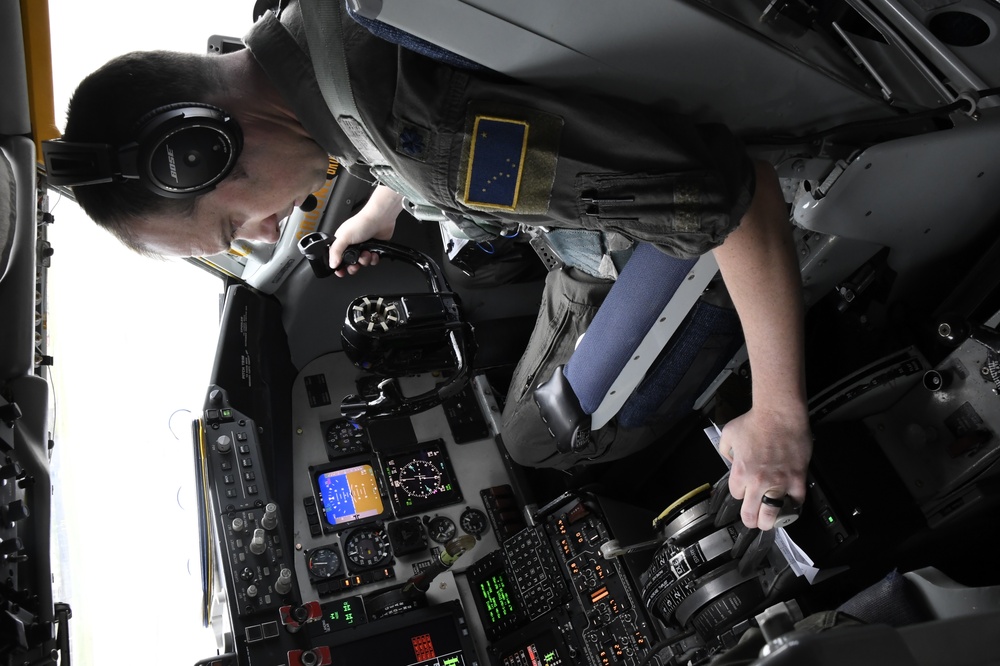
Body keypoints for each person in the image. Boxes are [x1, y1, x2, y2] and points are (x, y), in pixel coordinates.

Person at [54, 0, 811, 530]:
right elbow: (406, 120)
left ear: (205, 147)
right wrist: (383, 206)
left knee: (530, 440)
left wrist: (777, 414)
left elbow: (742, 200)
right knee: (476, 268)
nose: (267, 228)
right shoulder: (310, 29)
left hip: (675, 197)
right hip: (612, 117)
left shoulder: (427, 143)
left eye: (231, 222)